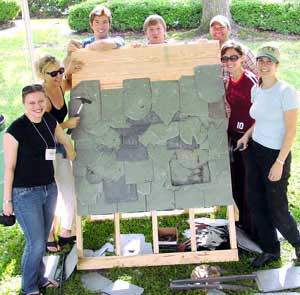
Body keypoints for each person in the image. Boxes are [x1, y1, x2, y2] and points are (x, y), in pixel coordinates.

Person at [2, 84, 75, 295]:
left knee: (41, 240)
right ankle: (28, 288)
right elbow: (9, 168)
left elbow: (63, 138)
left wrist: (70, 151)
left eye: (41, 101)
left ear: (46, 102)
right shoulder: (15, 131)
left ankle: (40, 278)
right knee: (34, 243)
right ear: (24, 104)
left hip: (49, 189)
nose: (37, 106)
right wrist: (7, 203)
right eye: (32, 103)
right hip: (25, 194)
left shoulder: (49, 120)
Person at [237, 45, 300, 267]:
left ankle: (298, 244)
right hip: (255, 150)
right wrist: (247, 135)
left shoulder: (286, 91)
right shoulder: (258, 88)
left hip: (275, 154)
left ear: (277, 65)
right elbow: (259, 118)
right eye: (261, 60)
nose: (264, 65)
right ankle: (271, 249)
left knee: (277, 207)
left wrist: (279, 162)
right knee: (256, 202)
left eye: (269, 62)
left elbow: (291, 130)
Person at [35, 54, 81, 252]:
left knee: (69, 189)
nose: (58, 76)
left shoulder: (62, 85)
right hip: (44, 149)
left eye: (60, 71)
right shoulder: (41, 97)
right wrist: (66, 125)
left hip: (60, 146)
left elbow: (73, 77)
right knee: (49, 192)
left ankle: (66, 231)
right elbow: (41, 128)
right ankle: (49, 233)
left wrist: (73, 62)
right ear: (42, 75)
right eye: (53, 73)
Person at [220, 41, 258, 238]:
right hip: (233, 135)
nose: (229, 62)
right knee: (236, 182)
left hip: (248, 139)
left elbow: (262, 114)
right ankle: (242, 222)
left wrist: (246, 136)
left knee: (248, 184)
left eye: (234, 57)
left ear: (243, 58)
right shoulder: (228, 80)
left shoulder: (250, 81)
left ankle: (254, 229)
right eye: (225, 58)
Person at [209, 15, 258, 79]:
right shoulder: (206, 52)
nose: (218, 30)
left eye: (221, 27)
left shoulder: (241, 50)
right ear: (210, 31)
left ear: (229, 29)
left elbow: (258, 73)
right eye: (214, 28)